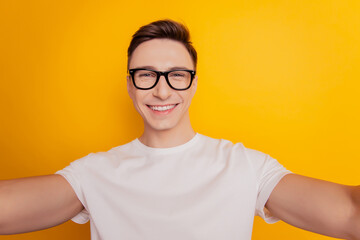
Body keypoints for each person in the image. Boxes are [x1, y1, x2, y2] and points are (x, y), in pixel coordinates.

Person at [0, 19, 359, 240]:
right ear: (130, 85)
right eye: (146, 75)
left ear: (193, 83)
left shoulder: (245, 166)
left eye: (176, 75)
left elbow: (349, 214)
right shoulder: (95, 173)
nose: (161, 90)